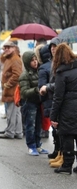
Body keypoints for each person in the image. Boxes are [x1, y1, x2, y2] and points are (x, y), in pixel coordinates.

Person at [50, 43, 77, 174]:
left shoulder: (61, 72)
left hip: (68, 108)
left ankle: (67, 165)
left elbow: (58, 97)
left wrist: (53, 116)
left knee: (67, 136)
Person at [38, 37, 63, 163]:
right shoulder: (51, 64)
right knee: (56, 129)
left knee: (63, 130)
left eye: (55, 46)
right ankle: (59, 152)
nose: (53, 49)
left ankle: (63, 155)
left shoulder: (64, 63)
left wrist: (47, 87)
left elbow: (59, 83)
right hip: (52, 99)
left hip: (61, 100)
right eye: (51, 47)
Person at [19, 50, 48, 156]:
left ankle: (38, 145)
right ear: (27, 62)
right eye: (32, 60)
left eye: (36, 59)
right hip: (29, 103)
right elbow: (24, 92)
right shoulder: (24, 75)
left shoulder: (39, 71)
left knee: (38, 125)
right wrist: (36, 89)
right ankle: (31, 146)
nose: (35, 62)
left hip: (38, 102)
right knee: (30, 125)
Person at [0, 41, 23, 139]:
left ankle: (10, 131)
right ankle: (17, 131)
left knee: (11, 112)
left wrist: (8, 84)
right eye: (5, 47)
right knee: (15, 112)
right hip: (11, 89)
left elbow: (17, 74)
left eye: (9, 47)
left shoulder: (15, 59)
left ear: (14, 48)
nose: (6, 49)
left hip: (12, 90)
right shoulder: (9, 58)